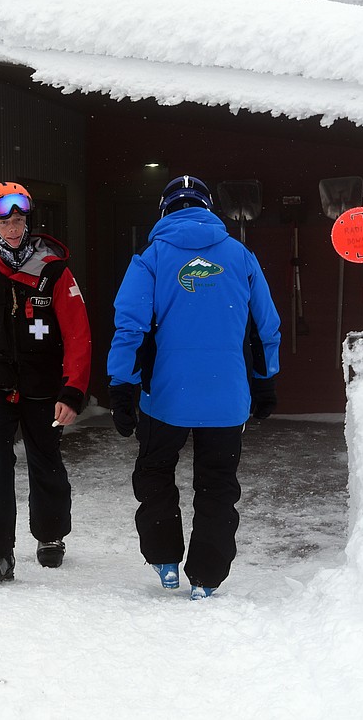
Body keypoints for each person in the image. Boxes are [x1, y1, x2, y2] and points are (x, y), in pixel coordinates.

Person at [107, 175, 281, 600]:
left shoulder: (149, 259)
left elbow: (130, 329)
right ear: (208, 210)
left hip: (165, 396)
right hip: (227, 398)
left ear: (164, 211)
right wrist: (264, 381)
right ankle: (205, 576)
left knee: (154, 473)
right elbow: (265, 327)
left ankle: (165, 559)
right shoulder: (241, 257)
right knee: (218, 485)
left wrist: (123, 388)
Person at [0, 181, 92, 585]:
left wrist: (73, 391)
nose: (13, 227)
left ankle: (50, 534)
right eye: (4, 221)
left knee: (45, 459)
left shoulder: (55, 271)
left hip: (43, 384)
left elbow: (79, 336)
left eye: (19, 219)